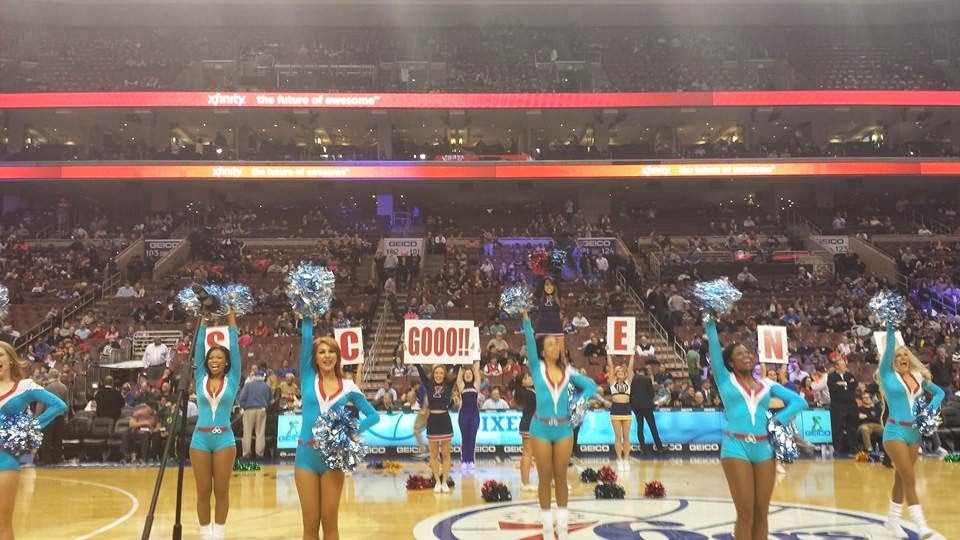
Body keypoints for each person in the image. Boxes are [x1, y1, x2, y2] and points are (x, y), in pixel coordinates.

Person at [705, 314, 806, 540]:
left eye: (748, 353)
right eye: (740, 354)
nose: (746, 356)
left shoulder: (767, 384)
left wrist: (776, 421)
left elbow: (799, 402)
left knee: (762, 512)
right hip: (736, 447)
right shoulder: (725, 379)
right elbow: (714, 347)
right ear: (731, 363)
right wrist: (709, 322)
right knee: (745, 513)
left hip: (765, 449)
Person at [295, 316, 379, 540]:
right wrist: (307, 313)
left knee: (330, 522)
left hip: (333, 459)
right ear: (314, 357)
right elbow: (306, 339)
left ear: (338, 356)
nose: (326, 356)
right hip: (305, 457)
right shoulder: (308, 379)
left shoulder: (349, 387)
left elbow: (373, 416)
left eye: (331, 351)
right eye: (321, 352)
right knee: (310, 523)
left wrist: (348, 431)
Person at [521, 311, 597, 538]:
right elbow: (529, 342)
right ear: (543, 352)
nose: (556, 347)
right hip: (540, 429)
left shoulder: (568, 371)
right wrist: (525, 318)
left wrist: (577, 402)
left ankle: (562, 527)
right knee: (545, 478)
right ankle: (546, 527)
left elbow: (590, 387)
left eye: (557, 343)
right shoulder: (536, 368)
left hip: (564, 430)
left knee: (561, 477)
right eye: (551, 344)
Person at [875, 324, 944, 539]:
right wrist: (890, 326)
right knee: (910, 478)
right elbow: (889, 350)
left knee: (901, 477)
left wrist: (930, 410)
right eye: (898, 355)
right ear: (892, 360)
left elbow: (939, 393)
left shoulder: (918, 376)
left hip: (914, 433)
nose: (903, 358)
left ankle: (892, 521)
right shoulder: (887, 374)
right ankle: (921, 526)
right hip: (894, 431)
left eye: (905, 355)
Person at [0, 341, 67, 539]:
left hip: (5, 460)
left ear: (10, 360)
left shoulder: (24, 387)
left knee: (2, 524)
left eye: (0, 355)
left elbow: (59, 406)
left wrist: (30, 427)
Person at [190, 310, 242, 540]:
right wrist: (203, 318)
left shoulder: (233, 378)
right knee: (203, 491)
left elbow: (235, 346)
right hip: (200, 440)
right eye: (211, 358)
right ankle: (205, 534)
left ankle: (218, 534)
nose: (214, 361)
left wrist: (230, 316)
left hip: (224, 440)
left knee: (221, 490)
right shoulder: (200, 377)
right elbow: (200, 346)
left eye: (219, 358)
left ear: (227, 362)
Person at [414, 362, 460, 493]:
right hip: (433, 421)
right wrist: (416, 362)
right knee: (433, 454)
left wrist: (461, 360)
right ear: (433, 374)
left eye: (441, 373)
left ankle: (444, 481)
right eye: (436, 373)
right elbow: (421, 373)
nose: (438, 375)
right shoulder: (428, 384)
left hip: (445, 420)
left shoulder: (448, 384)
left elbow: (456, 369)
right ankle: (437, 481)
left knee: (446, 454)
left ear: (444, 375)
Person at [606, 353, 635, 471]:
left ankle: (626, 459)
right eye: (618, 372)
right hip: (616, 410)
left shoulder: (628, 382)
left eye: (623, 372)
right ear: (616, 374)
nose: (621, 373)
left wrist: (632, 354)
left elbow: (630, 368)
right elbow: (610, 367)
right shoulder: (612, 383)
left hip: (626, 409)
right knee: (618, 437)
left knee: (626, 436)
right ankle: (619, 459)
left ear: (625, 374)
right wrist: (608, 354)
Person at [511, 369, 537, 491]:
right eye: (526, 378)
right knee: (527, 454)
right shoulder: (528, 393)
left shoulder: (530, 391)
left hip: (531, 423)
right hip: (530, 424)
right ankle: (525, 483)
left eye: (529, 376)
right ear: (522, 383)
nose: (530, 378)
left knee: (533, 454)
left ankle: (550, 480)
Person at [237, 373, 272, 461]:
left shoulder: (248, 385)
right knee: (260, 433)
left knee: (247, 433)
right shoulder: (267, 386)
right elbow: (270, 400)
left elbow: (241, 399)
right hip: (262, 410)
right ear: (263, 377)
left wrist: (244, 407)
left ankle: (246, 454)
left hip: (249, 410)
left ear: (254, 377)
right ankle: (259, 454)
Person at [828, 358, 859, 455]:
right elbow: (833, 387)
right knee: (838, 427)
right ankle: (837, 447)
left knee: (852, 427)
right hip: (838, 405)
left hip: (851, 405)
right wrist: (847, 384)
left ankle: (854, 447)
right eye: (842, 364)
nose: (844, 366)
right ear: (836, 366)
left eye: (844, 364)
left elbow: (854, 384)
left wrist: (844, 383)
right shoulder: (832, 376)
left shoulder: (849, 375)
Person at [38, 369, 69, 465]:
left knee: (47, 439)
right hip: (60, 416)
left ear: (49, 376)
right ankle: (57, 458)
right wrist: (65, 416)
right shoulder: (64, 387)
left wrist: (37, 416)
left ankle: (47, 459)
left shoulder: (47, 388)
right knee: (58, 439)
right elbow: (67, 403)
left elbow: (41, 403)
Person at [630, 366, 664, 453]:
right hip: (647, 407)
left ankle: (643, 448)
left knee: (640, 427)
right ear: (645, 372)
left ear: (638, 371)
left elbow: (631, 393)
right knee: (652, 427)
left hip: (636, 407)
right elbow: (651, 394)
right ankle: (659, 447)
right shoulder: (647, 379)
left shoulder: (633, 380)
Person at [456, 360, 482, 472]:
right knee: (464, 438)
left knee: (472, 438)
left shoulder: (476, 385)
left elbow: (476, 369)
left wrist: (477, 356)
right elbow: (458, 374)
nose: (467, 375)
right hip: (463, 415)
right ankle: (464, 461)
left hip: (474, 415)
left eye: (469, 373)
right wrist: (461, 359)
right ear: (463, 375)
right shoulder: (461, 385)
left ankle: (471, 461)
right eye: (466, 373)